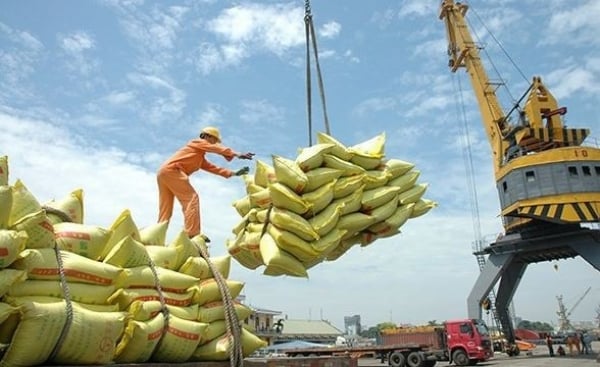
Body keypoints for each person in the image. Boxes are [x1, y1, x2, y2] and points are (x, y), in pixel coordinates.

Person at [157, 126, 254, 241]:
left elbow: (213, 168)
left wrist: (233, 173)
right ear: (207, 136)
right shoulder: (197, 142)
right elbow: (215, 148)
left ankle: (156, 235)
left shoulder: (198, 156)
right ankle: (192, 234)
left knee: (166, 208)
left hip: (163, 173)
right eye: (214, 140)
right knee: (192, 199)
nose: (215, 143)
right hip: (173, 171)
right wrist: (237, 154)